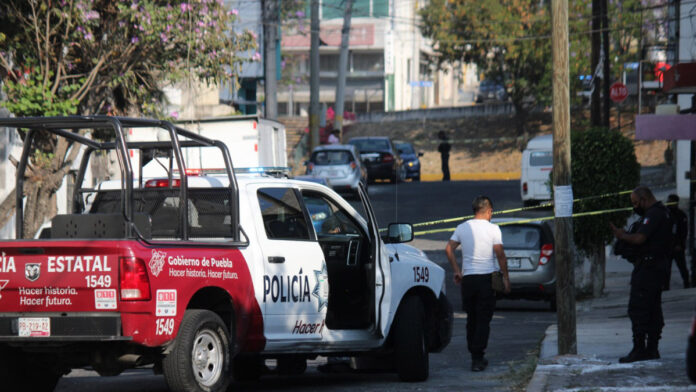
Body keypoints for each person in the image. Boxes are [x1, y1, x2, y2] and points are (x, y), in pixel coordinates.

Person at [445, 196, 510, 372]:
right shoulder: (493, 229)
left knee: (471, 318)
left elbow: (449, 248)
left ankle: (474, 354)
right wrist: (505, 278)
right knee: (483, 319)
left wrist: (457, 270)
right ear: (488, 211)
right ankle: (478, 357)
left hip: (469, 280)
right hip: (487, 279)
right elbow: (500, 255)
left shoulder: (462, 227)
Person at [610, 186, 672, 363]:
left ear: (644, 199)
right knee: (653, 308)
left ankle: (640, 349)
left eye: (636, 203)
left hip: (648, 268)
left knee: (638, 308)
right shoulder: (665, 213)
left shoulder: (654, 214)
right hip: (658, 267)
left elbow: (639, 239)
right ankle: (652, 348)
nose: (635, 207)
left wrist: (622, 236)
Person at [666, 194, 690, 289]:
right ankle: (665, 286)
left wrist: (680, 244)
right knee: (666, 269)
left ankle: (686, 283)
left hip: (677, 247)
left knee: (682, 267)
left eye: (671, 201)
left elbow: (683, 232)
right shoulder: (665, 214)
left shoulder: (680, 215)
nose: (668, 203)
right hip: (667, 246)